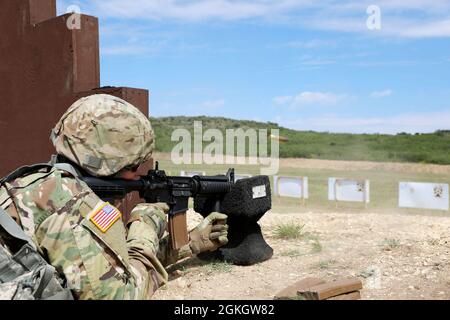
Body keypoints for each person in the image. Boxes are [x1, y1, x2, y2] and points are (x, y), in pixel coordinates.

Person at [0, 94, 229, 300]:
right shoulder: (69, 205)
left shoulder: (37, 184)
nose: (137, 173)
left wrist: (191, 243)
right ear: (110, 163)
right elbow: (122, 295)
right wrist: (145, 225)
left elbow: (109, 270)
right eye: (134, 165)